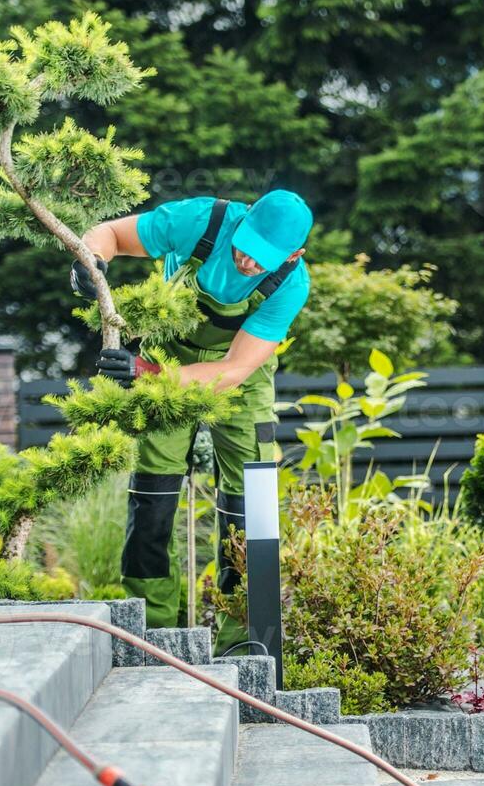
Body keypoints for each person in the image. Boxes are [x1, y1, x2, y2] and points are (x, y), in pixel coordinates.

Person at [72, 190, 312, 651]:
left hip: (240, 378)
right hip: (171, 348)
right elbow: (111, 234)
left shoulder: (291, 284)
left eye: (261, 258)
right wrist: (92, 262)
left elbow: (235, 370)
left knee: (251, 497)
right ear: (242, 222)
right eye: (245, 246)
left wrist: (152, 377)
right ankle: (153, 630)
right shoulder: (202, 219)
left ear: (293, 255)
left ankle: (246, 640)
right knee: (153, 493)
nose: (245, 261)